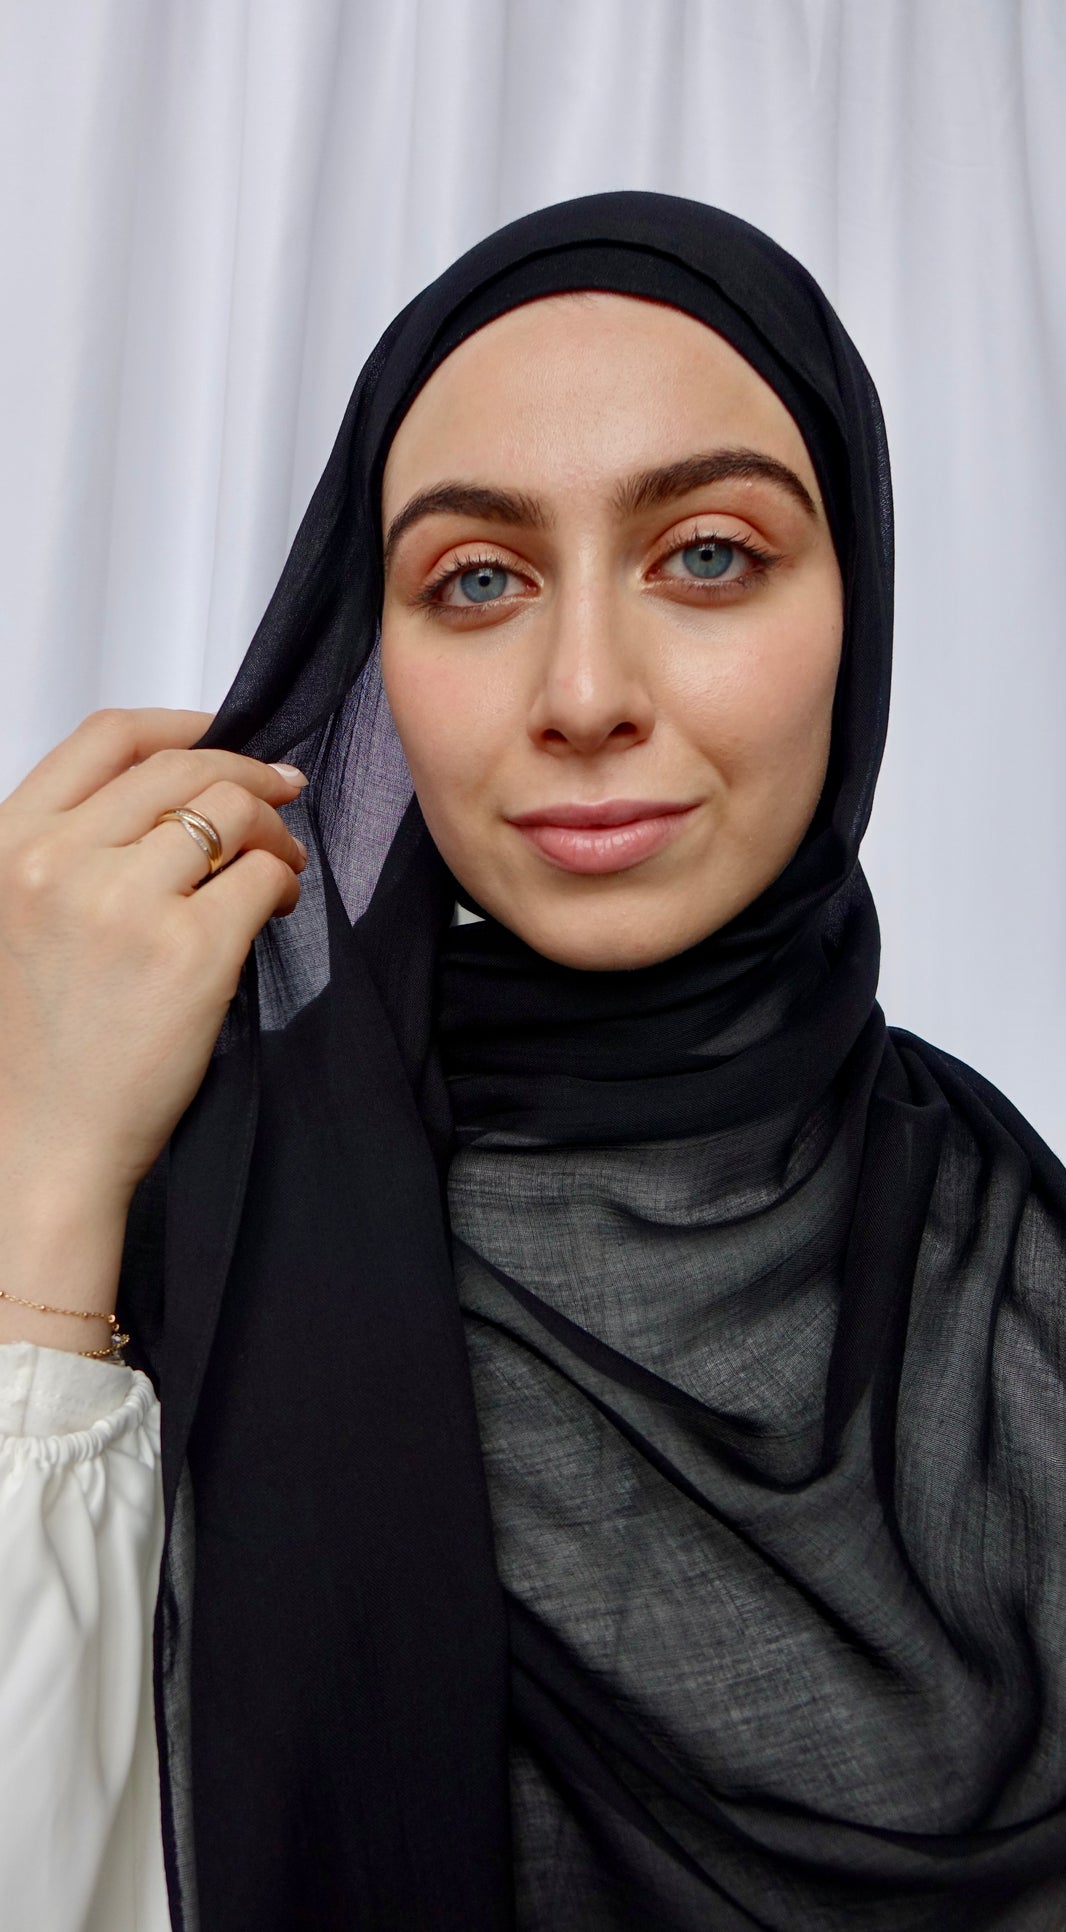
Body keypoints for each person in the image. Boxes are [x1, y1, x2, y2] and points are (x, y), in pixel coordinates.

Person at [0, 191, 1064, 1932]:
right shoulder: (164, 1219)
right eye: (476, 579)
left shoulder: (1012, 1259)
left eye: (705, 556)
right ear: (376, 655)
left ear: (857, 605)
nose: (580, 693)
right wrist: (43, 1181)